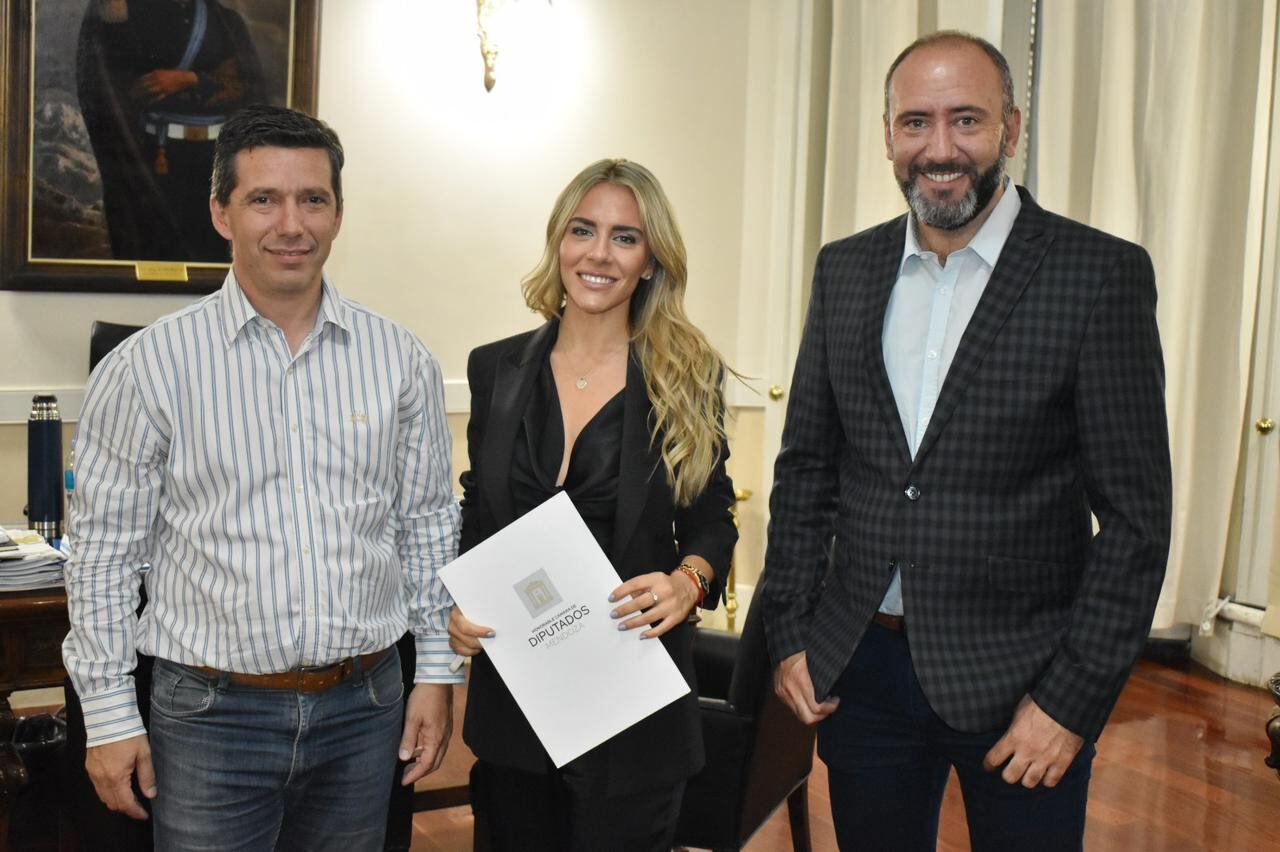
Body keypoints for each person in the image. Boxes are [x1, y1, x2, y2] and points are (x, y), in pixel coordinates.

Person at [762, 31, 1172, 851]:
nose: (939, 149)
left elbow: (1135, 523)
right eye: (916, 122)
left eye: (967, 121)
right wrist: (793, 635)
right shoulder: (843, 270)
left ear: (1011, 130)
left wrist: (1070, 702)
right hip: (860, 675)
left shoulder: (1098, 276)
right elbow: (807, 468)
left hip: (1025, 684)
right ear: (887, 135)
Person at [61, 104, 461, 851]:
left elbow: (428, 527)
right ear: (221, 212)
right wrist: (111, 717)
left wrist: (437, 673)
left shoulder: (400, 361)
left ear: (338, 213)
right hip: (209, 715)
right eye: (263, 199)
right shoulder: (148, 369)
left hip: (365, 706)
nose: (292, 224)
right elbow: (104, 557)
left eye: (312, 199)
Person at [447, 159, 738, 852]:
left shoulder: (684, 377)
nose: (599, 253)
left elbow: (712, 518)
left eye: (625, 237)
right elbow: (478, 510)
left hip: (631, 706)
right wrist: (457, 606)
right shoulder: (495, 367)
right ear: (559, 241)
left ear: (651, 261)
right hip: (517, 700)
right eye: (584, 230)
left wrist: (686, 581)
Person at [77, 0, 267, 261]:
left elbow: (249, 89)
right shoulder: (130, 13)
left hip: (215, 161)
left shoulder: (226, 22)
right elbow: (117, 85)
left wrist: (190, 80)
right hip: (156, 156)